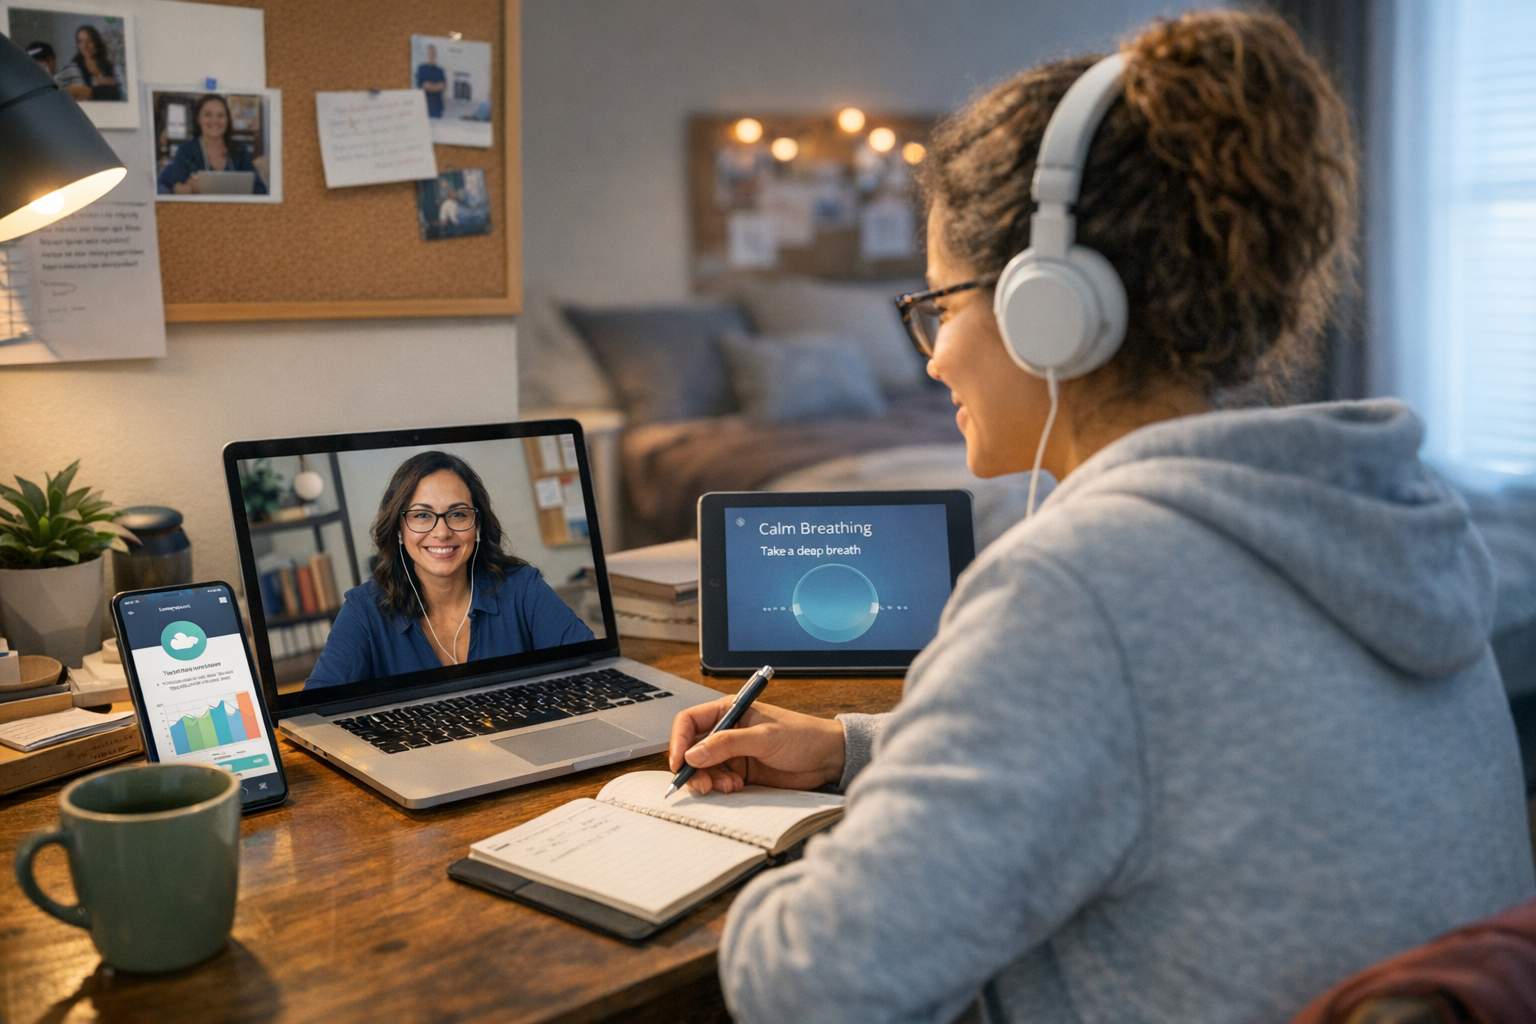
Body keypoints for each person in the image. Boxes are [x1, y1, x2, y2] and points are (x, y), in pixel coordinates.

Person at [667, 11, 1536, 1024]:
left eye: (940, 304)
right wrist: (853, 751)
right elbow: (1173, 747)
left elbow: (811, 984)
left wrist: (735, 858)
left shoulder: (1079, 588)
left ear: (1051, 307)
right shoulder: (1394, 521)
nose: (935, 355)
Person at [305, 452, 593, 689]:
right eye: (421, 515)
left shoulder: (523, 589)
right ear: (398, 529)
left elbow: (590, 669)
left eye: (457, 514)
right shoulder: (363, 611)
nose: (441, 532)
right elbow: (316, 710)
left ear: (477, 525)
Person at [156, 94, 268, 196]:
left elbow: (260, 190)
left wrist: (207, 187)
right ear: (198, 118)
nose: (214, 120)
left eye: (220, 115)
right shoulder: (186, 149)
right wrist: (188, 188)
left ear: (228, 120)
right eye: (207, 114)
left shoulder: (240, 150)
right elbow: (177, 188)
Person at [54, 25, 120, 101]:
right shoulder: (68, 70)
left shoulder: (112, 68)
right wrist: (70, 90)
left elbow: (121, 95)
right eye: (80, 41)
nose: (84, 46)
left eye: (89, 40)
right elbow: (53, 90)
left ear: (96, 42)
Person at [416, 44, 446, 119]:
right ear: (427, 54)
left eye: (433, 53)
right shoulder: (421, 69)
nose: (431, 55)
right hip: (425, 106)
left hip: (437, 107)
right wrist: (436, 86)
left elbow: (442, 87)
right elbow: (423, 86)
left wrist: (430, 86)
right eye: (430, 53)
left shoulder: (439, 70)